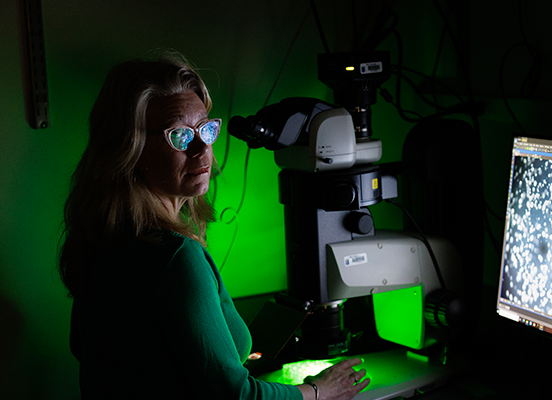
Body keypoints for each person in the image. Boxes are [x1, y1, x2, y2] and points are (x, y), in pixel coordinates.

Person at [59, 52, 370, 399]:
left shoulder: (102, 239)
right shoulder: (175, 257)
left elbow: (90, 351)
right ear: (130, 149)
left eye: (206, 129)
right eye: (178, 136)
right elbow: (236, 396)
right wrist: (318, 391)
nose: (201, 149)